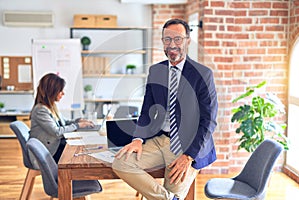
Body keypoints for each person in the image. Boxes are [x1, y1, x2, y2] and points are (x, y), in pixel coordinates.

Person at [112, 18, 218, 200]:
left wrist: (189, 156)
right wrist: (137, 139)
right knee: (121, 163)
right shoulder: (156, 71)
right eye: (167, 39)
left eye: (178, 39)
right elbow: (146, 111)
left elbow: (209, 121)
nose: (172, 44)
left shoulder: (203, 74)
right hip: (159, 139)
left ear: (187, 40)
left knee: (174, 182)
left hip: (187, 145)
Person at [29, 73, 94, 163]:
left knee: (84, 152)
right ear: (52, 91)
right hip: (49, 152)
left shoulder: (51, 106)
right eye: (60, 91)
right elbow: (57, 132)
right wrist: (78, 125)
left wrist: (78, 121)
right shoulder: (41, 110)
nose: (63, 93)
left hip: (56, 146)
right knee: (81, 159)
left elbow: (63, 122)